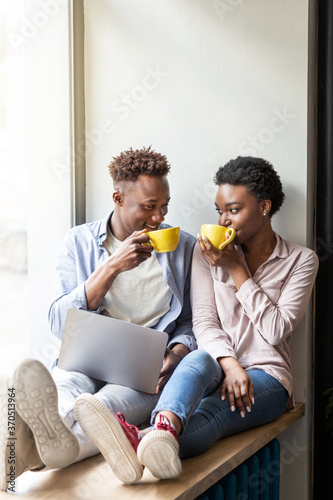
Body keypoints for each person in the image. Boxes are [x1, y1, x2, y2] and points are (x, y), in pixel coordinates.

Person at [71, 156, 318, 484]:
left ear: (263, 207)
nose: (223, 220)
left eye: (233, 210)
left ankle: (136, 443)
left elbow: (275, 330)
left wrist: (235, 268)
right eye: (219, 211)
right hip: (217, 362)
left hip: (268, 375)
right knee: (197, 358)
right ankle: (159, 431)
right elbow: (203, 323)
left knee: (211, 413)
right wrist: (230, 365)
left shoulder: (301, 261)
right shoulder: (207, 253)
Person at [0, 146, 196, 490]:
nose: (158, 217)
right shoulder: (78, 243)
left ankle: (21, 456)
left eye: (164, 205)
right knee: (62, 395)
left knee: (99, 409)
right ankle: (31, 451)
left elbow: (193, 321)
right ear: (118, 198)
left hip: (142, 374)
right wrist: (111, 267)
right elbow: (58, 323)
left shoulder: (183, 247)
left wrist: (176, 353)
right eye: (148, 207)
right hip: (83, 362)